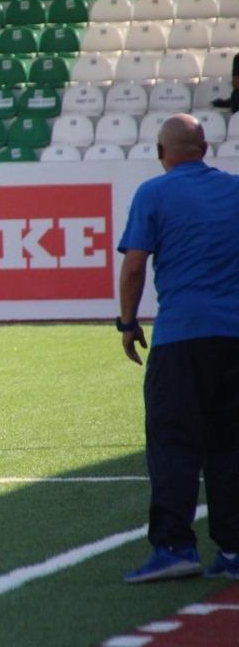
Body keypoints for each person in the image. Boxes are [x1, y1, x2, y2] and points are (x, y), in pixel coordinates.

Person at [118, 113, 239, 583]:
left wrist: (126, 323)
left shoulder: (153, 193)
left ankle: (174, 547)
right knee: (230, 444)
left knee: (173, 442)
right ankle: (232, 550)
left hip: (182, 339)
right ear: (205, 149)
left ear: (161, 153)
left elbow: (133, 269)